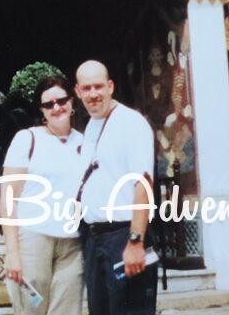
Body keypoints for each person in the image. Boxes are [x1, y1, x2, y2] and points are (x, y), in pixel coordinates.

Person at [74, 60, 157, 315]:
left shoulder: (131, 123)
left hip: (124, 236)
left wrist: (135, 241)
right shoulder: (90, 127)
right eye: (86, 88)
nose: (93, 94)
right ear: (78, 92)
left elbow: (143, 184)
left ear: (110, 86)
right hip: (96, 239)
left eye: (99, 86)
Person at [1, 75, 85, 315]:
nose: (57, 108)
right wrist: (12, 252)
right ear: (42, 110)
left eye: (61, 101)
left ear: (72, 101)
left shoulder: (85, 142)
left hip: (72, 244)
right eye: (49, 104)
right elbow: (8, 197)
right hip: (33, 240)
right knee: (32, 308)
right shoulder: (28, 139)